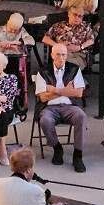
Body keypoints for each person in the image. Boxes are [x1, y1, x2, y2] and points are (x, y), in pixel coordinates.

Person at [35, 43, 87, 172]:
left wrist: (54, 90)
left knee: (81, 116)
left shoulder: (74, 69)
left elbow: (78, 93)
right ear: (52, 55)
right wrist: (65, 90)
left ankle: (78, 155)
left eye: (64, 54)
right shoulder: (42, 72)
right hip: (49, 108)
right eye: (58, 54)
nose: (61, 57)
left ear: (67, 55)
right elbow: (43, 98)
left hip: (70, 106)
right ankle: (57, 148)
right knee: (45, 120)